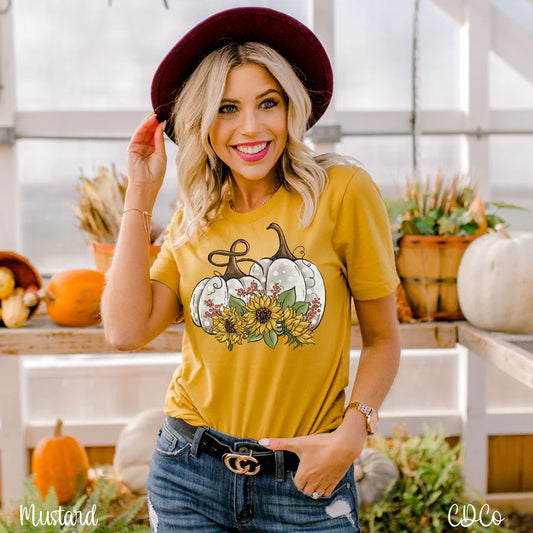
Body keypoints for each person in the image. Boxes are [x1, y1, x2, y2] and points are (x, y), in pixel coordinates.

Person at [102, 7, 400, 532]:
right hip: (188, 473)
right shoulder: (196, 213)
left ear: (292, 108)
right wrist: (141, 193)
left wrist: (352, 435)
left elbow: (383, 340)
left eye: (268, 103)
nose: (251, 127)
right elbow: (125, 330)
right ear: (202, 122)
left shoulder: (343, 191)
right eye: (226, 109)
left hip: (305, 481)